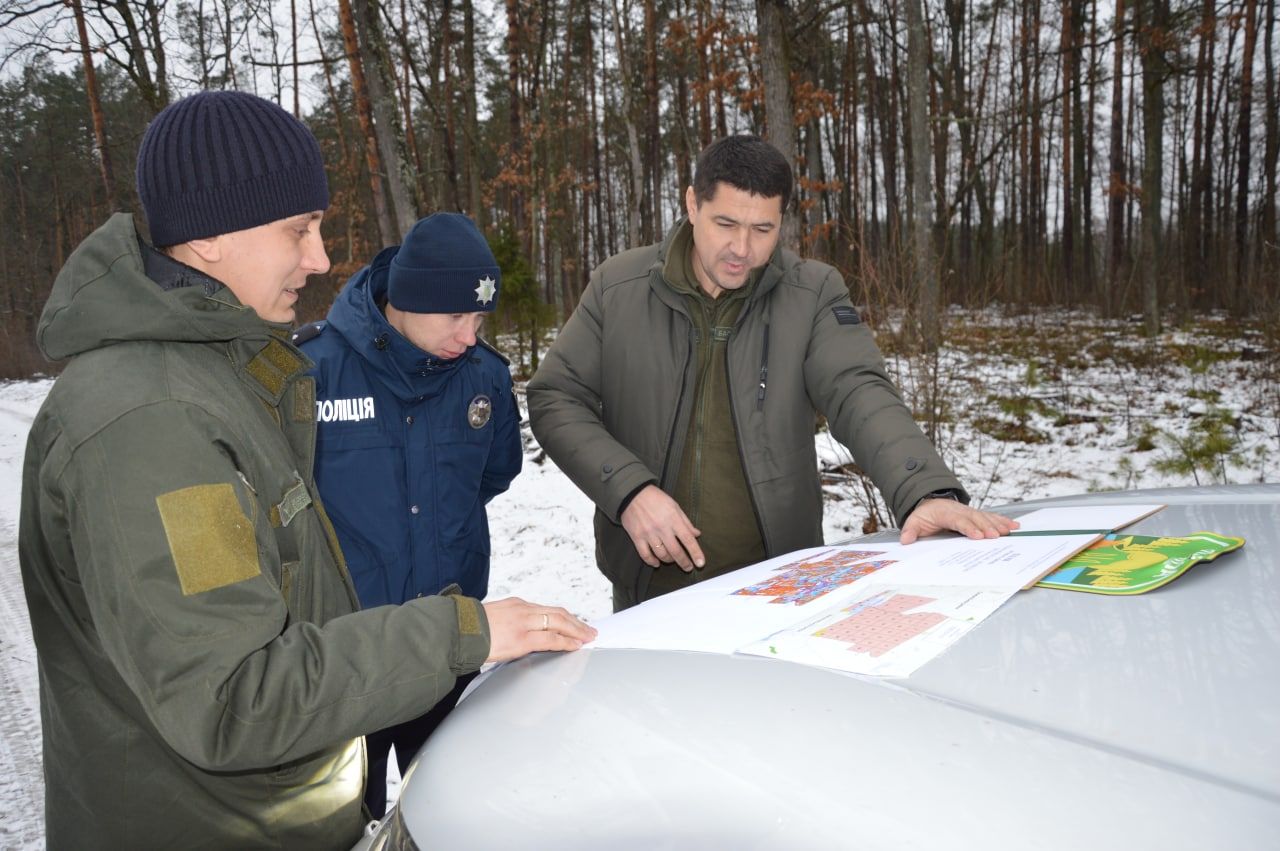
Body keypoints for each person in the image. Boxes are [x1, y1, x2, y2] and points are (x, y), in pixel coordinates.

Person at [17, 90, 593, 850]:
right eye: (300, 228)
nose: (321, 257)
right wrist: (461, 631)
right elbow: (234, 694)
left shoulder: (219, 375)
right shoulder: (154, 422)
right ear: (214, 233)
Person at [527, 134, 1017, 611]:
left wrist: (923, 491)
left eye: (763, 230)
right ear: (692, 204)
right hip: (648, 591)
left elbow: (859, 391)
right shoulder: (620, 287)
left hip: (778, 587)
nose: (742, 248)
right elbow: (555, 397)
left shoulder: (811, 293)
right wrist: (629, 491)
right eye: (726, 223)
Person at [294, 212, 522, 817]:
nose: (470, 334)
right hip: (350, 658)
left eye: (479, 318)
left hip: (455, 648)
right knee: (343, 822)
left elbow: (494, 474)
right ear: (406, 300)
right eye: (455, 316)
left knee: (453, 810)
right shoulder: (313, 373)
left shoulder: (484, 377)